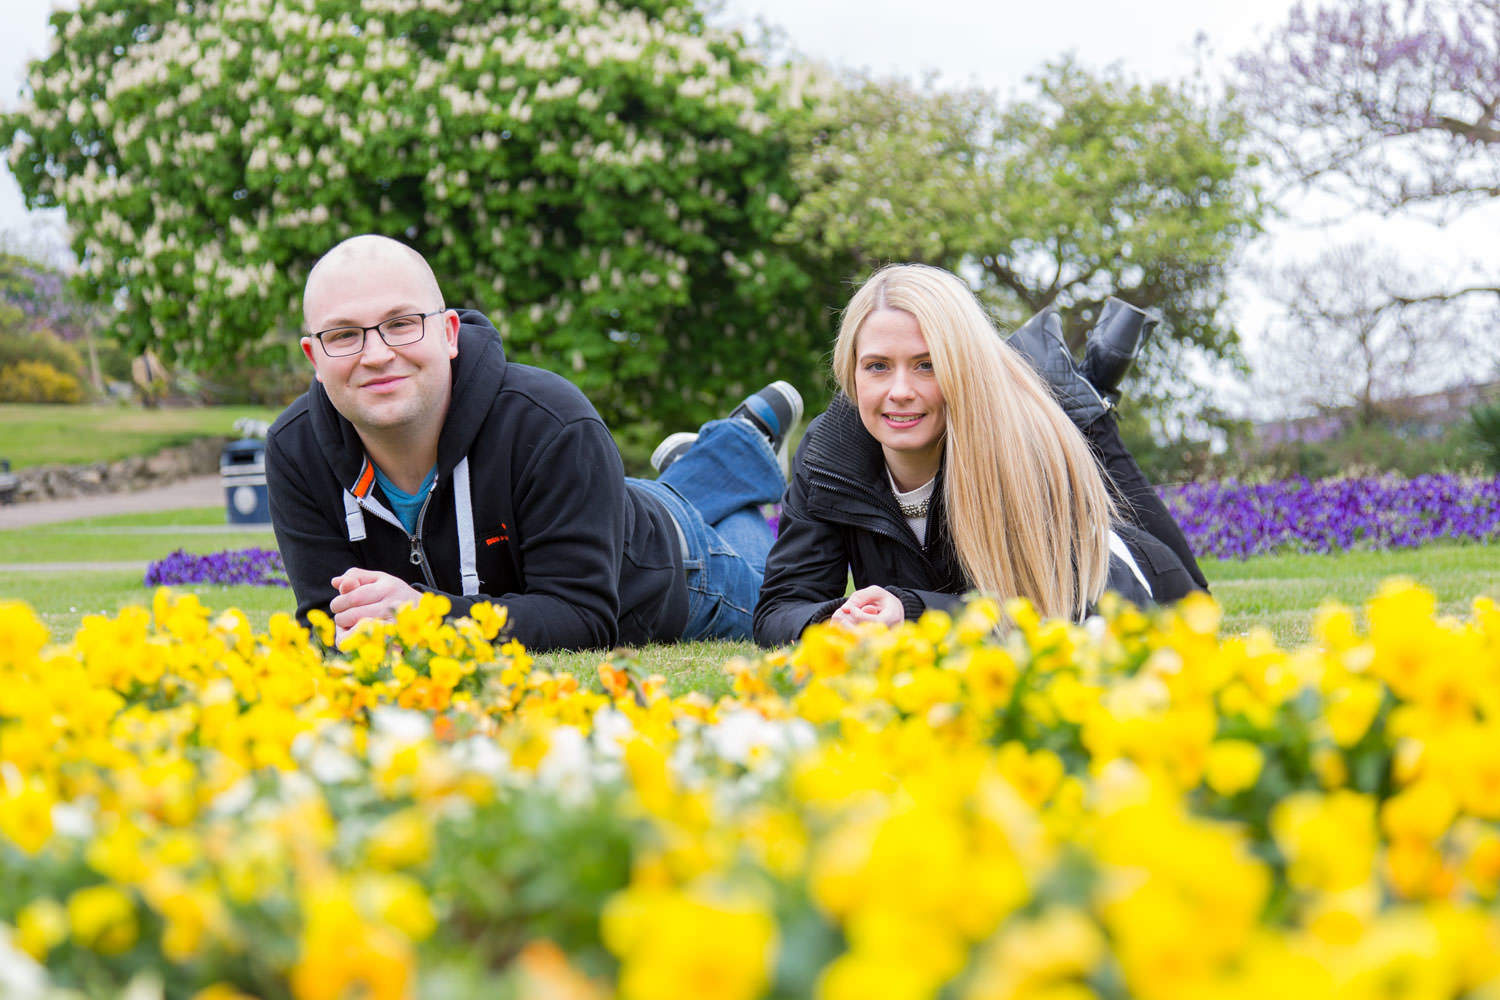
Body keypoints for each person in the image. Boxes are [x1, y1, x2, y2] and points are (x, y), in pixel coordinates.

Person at [267, 234, 801, 652]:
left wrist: (424, 617)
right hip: (594, 504)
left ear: (449, 333)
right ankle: (713, 461)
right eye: (343, 335)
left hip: (674, 566)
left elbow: (584, 617)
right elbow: (326, 622)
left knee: (773, 600)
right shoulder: (295, 450)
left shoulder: (552, 423)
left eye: (401, 323)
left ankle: (739, 454)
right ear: (314, 358)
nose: (376, 353)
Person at [752, 263, 1206, 646]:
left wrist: (911, 613)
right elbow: (780, 608)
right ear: (850, 373)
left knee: (1195, 609)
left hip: (1122, 579)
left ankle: (1087, 416)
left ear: (962, 368)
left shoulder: (1018, 444)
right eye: (877, 367)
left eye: (926, 364)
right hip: (965, 615)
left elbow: (1053, 612)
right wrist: (836, 622)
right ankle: (1068, 393)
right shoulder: (828, 453)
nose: (900, 391)